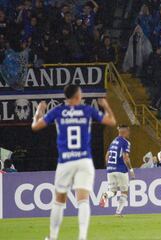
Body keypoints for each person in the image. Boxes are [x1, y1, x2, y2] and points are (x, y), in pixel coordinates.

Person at [31, 85, 117, 240]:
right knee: (83, 199)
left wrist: (39, 111)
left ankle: (53, 237)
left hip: (66, 161)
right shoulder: (86, 110)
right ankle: (82, 237)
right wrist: (106, 106)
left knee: (59, 201)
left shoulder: (58, 111)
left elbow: (35, 126)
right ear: (77, 96)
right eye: (81, 94)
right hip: (84, 160)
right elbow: (111, 121)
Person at [99, 125, 134, 216]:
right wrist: (131, 170)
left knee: (112, 191)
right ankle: (118, 212)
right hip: (121, 169)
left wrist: (109, 167)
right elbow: (125, 157)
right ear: (125, 132)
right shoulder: (126, 142)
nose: (129, 133)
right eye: (128, 131)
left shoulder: (113, 142)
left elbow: (107, 156)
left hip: (110, 169)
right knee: (124, 191)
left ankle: (105, 194)